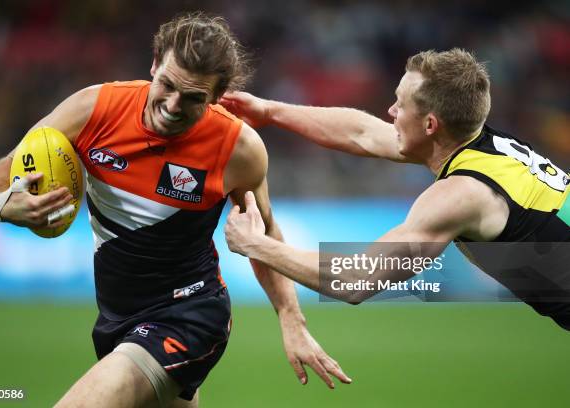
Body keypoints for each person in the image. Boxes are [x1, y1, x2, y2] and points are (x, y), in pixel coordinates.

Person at [0, 13, 350, 408]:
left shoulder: (238, 149)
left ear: (217, 96)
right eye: (168, 85)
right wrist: (3, 203)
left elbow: (264, 235)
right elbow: (9, 168)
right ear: (154, 65)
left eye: (194, 98)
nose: (173, 106)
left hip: (190, 314)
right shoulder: (94, 109)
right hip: (116, 316)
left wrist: (291, 319)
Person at [221, 48, 570, 330]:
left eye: (400, 105)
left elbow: (357, 279)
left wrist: (257, 245)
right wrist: (268, 111)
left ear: (430, 124)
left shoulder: (461, 195)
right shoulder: (484, 145)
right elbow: (362, 132)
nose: (390, 111)